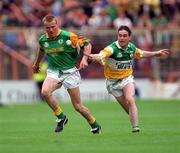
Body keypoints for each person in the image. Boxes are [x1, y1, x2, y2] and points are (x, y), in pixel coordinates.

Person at [87, 25, 169, 133]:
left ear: (129, 37)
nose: (121, 38)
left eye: (124, 36)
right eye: (120, 35)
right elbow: (101, 54)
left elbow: (142, 53)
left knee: (130, 99)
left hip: (127, 79)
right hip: (112, 83)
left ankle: (135, 128)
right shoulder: (112, 48)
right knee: (128, 109)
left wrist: (155, 53)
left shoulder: (131, 48)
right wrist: (91, 56)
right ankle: (134, 122)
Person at [32, 15, 101, 134]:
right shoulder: (43, 39)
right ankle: (61, 117)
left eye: (53, 27)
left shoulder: (69, 36)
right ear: (45, 27)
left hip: (70, 72)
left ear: (57, 25)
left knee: (78, 107)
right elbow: (42, 49)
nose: (51, 30)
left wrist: (84, 59)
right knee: (45, 92)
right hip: (54, 71)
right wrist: (36, 64)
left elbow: (87, 44)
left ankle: (94, 124)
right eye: (48, 28)